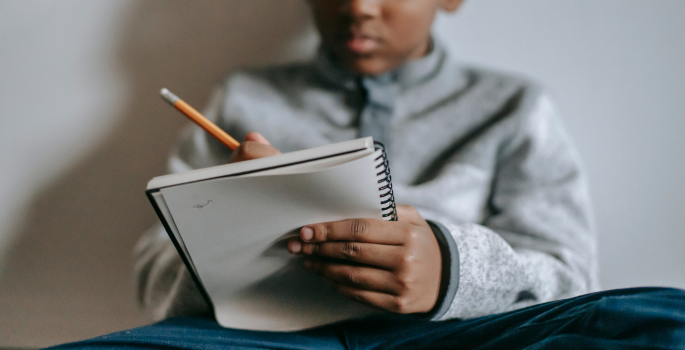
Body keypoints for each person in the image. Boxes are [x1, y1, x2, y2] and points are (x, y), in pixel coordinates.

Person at [52, 0, 685, 349]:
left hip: (454, 339)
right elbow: (154, 268)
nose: (358, 8)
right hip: (262, 341)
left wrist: (453, 268)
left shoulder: (515, 108)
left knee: (664, 317)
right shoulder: (242, 99)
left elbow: (571, 277)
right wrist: (236, 222)